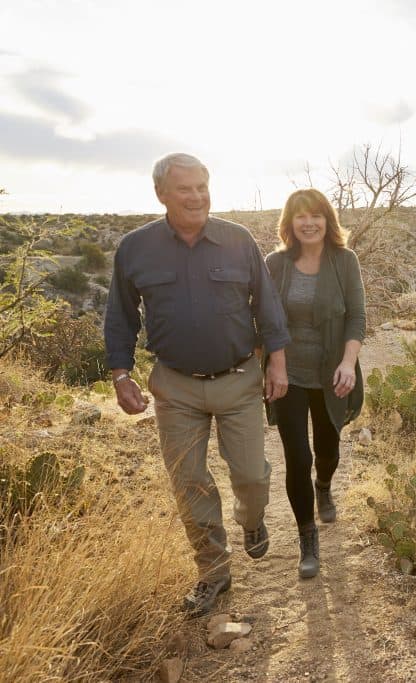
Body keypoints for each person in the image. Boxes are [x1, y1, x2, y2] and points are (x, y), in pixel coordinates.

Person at [104, 153, 290, 616]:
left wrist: (277, 365)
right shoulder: (135, 249)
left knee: (250, 475)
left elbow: (267, 307)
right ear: (161, 194)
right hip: (176, 387)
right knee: (189, 481)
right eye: (184, 188)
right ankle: (213, 572)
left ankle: (251, 521)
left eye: (202, 186)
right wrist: (121, 374)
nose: (196, 196)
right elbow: (121, 318)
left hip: (238, 379)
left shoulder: (237, 239)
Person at [265, 188, 366, 579]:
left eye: (316, 216)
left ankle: (324, 486)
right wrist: (269, 367)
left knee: (327, 450)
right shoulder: (276, 263)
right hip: (286, 375)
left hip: (331, 375)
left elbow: (357, 316)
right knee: (297, 457)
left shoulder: (344, 261)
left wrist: (347, 362)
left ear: (328, 220)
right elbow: (265, 318)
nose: (308, 223)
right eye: (300, 216)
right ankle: (307, 537)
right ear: (289, 223)